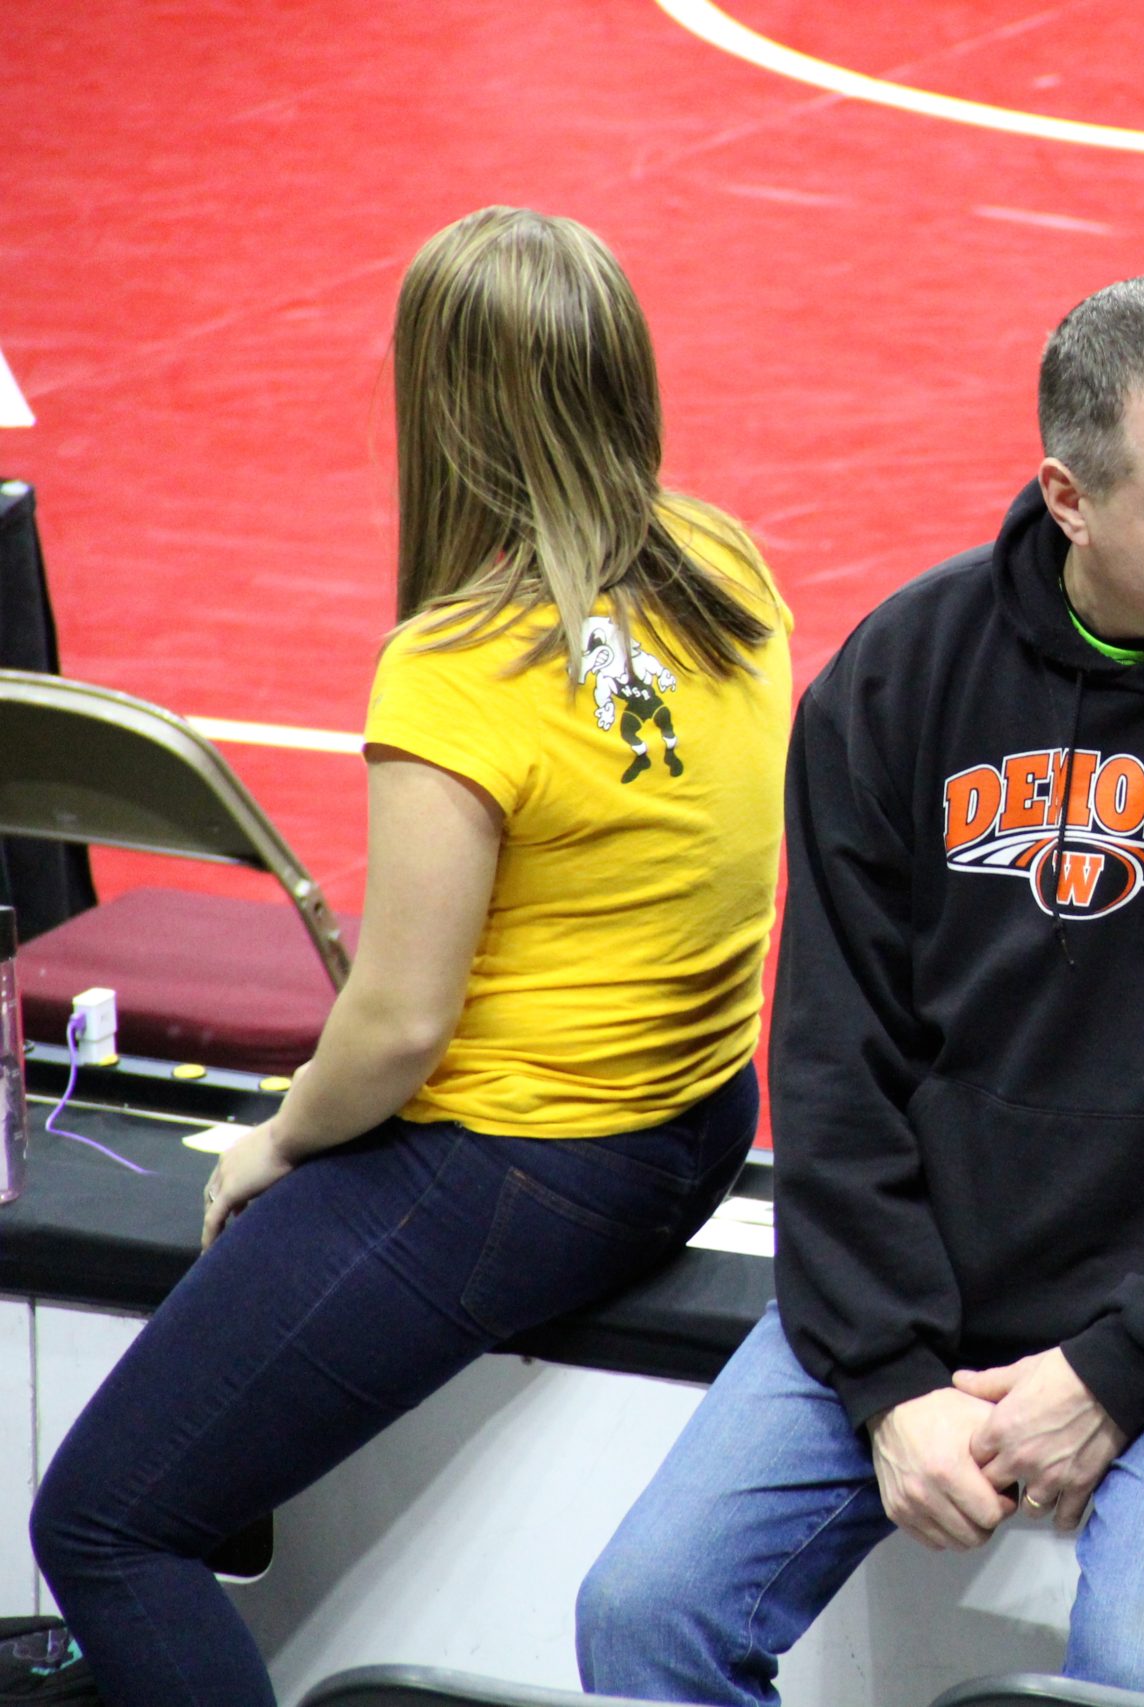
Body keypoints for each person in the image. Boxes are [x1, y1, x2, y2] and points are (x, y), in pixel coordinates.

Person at [576, 276, 1144, 1703]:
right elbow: (829, 1057)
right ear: (1068, 494)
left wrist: (1125, 1362)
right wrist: (887, 1380)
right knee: (643, 1612)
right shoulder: (901, 679)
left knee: (1136, 1668)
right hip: (924, 1296)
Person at [27, 206, 792, 1705]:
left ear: (441, 410)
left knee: (106, 1520)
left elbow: (395, 1026)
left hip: (530, 1161)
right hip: (699, 1113)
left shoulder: (459, 664)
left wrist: (272, 1138)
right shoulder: (724, 561)